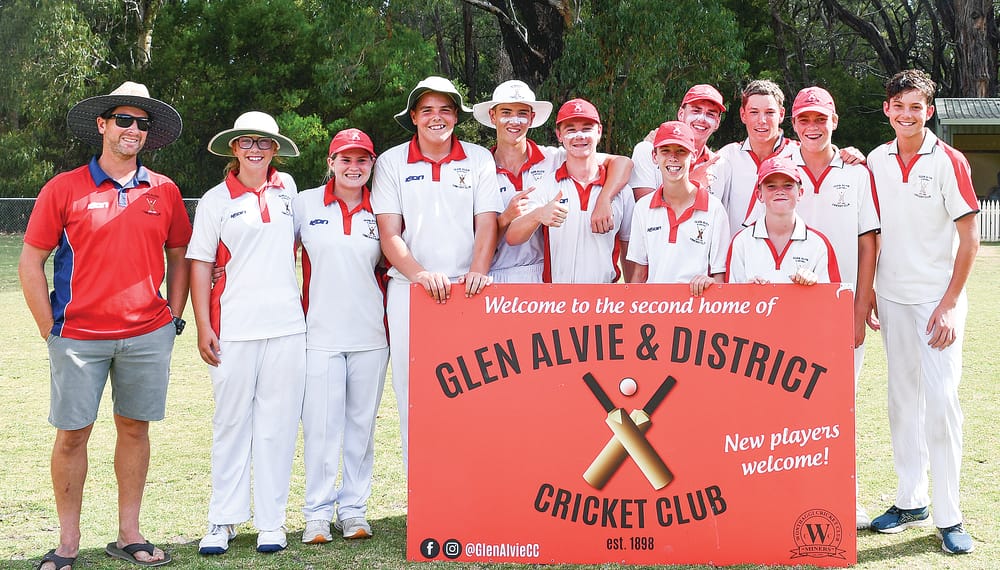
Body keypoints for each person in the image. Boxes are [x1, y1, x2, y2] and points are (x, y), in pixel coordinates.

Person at [19, 81, 189, 569]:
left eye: (142, 123)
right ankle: (68, 543)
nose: (133, 130)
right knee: (73, 434)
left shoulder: (164, 190)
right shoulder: (64, 187)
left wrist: (172, 318)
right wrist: (48, 326)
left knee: (135, 429)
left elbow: (179, 256)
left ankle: (129, 534)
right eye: (124, 120)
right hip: (77, 338)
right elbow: (31, 261)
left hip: (146, 335)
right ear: (103, 125)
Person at [866, 70, 979, 555]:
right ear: (887, 109)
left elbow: (970, 237)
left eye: (916, 106)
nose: (906, 114)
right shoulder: (874, 159)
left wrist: (951, 304)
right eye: (898, 105)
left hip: (937, 303)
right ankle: (911, 499)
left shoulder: (949, 160)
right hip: (891, 297)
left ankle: (949, 514)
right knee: (901, 402)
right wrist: (870, 289)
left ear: (928, 111)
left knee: (941, 405)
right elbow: (870, 231)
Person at [187, 111, 305, 555]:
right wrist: (203, 325)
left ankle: (272, 521)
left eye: (264, 143)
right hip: (232, 327)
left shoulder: (289, 189)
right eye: (246, 142)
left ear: (275, 149)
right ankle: (223, 520)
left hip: (289, 327)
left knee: (277, 426)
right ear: (234, 149)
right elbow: (200, 262)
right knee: (231, 423)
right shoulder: (216, 199)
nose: (255, 149)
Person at [372, 76, 502, 468]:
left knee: (474, 388)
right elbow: (389, 233)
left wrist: (478, 271)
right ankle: (424, 488)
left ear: (457, 117)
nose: (436, 118)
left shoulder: (478, 158)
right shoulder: (391, 161)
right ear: (413, 116)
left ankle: (470, 483)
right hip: (410, 290)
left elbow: (487, 223)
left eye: (445, 110)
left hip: (469, 289)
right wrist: (419, 274)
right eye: (427, 110)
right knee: (413, 390)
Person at [783, 85, 880, 528]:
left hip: (840, 306)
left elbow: (867, 242)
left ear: (834, 122)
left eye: (820, 119)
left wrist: (860, 307)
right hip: (790, 310)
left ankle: (844, 495)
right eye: (804, 119)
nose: (812, 127)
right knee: (790, 405)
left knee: (840, 405)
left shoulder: (856, 173)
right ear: (793, 125)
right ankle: (791, 493)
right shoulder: (780, 171)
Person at [296, 129, 388, 543]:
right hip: (319, 334)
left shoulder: (384, 207)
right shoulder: (304, 204)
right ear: (330, 163)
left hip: (371, 333)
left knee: (360, 426)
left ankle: (353, 509)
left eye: (363, 160)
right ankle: (316, 513)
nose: (354, 167)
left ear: (372, 164)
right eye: (345, 159)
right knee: (321, 425)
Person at [472, 80, 633, 283]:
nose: (514, 121)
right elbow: (481, 236)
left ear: (531, 118)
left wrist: (604, 199)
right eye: (506, 112)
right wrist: (506, 218)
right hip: (494, 271)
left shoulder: (553, 158)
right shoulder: (480, 168)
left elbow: (622, 163)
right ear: (493, 116)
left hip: (540, 274)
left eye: (522, 113)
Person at [627, 121, 729, 293]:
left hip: (696, 310)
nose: (673, 157)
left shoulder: (714, 209)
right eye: (665, 150)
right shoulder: (643, 207)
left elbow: (720, 277)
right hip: (653, 310)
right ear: (654, 156)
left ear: (694, 155)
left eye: (681, 151)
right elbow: (639, 273)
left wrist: (709, 282)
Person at [726, 156, 840, 285]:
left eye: (787, 186)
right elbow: (729, 299)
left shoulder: (818, 244)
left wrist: (813, 287)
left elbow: (833, 299)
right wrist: (746, 291)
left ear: (800, 193)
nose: (780, 191)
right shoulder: (742, 242)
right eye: (771, 186)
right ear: (759, 195)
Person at [630, 84, 727, 201]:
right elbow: (646, 212)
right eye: (696, 111)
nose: (702, 119)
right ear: (681, 114)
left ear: (717, 122)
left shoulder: (719, 166)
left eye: (710, 114)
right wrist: (691, 184)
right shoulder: (648, 151)